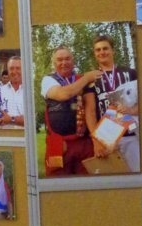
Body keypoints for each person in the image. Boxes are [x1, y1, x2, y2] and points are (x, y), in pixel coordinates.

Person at [40, 45, 101, 175]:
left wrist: (96, 140)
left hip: (83, 142)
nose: (64, 63)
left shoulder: (81, 79)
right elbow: (63, 94)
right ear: (54, 63)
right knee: (57, 180)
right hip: (57, 142)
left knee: (86, 180)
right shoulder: (48, 80)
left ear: (73, 61)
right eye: (60, 59)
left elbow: (90, 111)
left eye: (67, 59)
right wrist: (87, 78)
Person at [83, 34, 140, 172]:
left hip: (131, 135)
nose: (102, 52)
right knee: (112, 178)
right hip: (105, 138)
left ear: (113, 50)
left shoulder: (130, 73)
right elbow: (90, 111)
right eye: (98, 50)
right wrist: (96, 141)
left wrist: (132, 111)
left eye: (105, 48)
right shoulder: (91, 78)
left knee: (137, 176)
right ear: (94, 53)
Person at [0, 55, 24, 129]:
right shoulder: (0, 91)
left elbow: (31, 119)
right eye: (11, 68)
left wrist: (11, 119)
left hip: (24, 135)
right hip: (5, 134)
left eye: (18, 68)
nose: (14, 72)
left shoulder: (30, 91)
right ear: (8, 70)